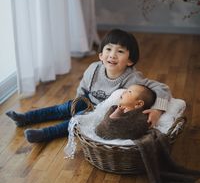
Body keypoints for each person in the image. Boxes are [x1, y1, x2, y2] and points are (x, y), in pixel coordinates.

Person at [6, 29, 171, 143]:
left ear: (130, 60)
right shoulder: (94, 69)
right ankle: (26, 118)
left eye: (120, 52)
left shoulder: (133, 78)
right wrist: (78, 102)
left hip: (100, 114)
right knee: (61, 108)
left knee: (73, 123)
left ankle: (44, 134)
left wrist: (157, 110)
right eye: (108, 49)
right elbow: (83, 87)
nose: (112, 55)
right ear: (101, 55)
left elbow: (162, 88)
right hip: (85, 102)